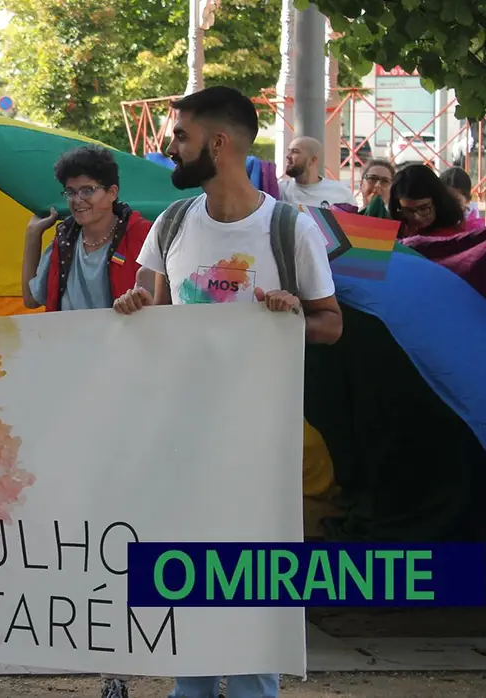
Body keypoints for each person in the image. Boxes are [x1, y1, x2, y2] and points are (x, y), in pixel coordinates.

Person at [113, 86, 342, 698]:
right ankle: (190, 687)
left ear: (218, 143)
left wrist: (292, 314)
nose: (169, 146)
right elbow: (149, 309)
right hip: (181, 438)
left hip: (257, 446)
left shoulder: (289, 228)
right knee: (186, 575)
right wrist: (135, 306)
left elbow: (331, 323)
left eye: (180, 136)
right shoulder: (172, 223)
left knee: (250, 580)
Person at [21, 144, 151, 313]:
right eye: (70, 192)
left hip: (124, 339)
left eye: (87, 191)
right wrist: (32, 235)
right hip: (68, 339)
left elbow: (162, 303)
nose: (77, 200)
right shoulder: (64, 241)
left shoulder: (143, 236)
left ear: (112, 193)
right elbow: (31, 300)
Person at [390, 164, 467, 238]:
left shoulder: (458, 235)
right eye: (408, 210)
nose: (416, 217)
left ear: (438, 202)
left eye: (423, 209)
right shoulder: (391, 229)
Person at [279, 136, 355, 210]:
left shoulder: (341, 193)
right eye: (288, 151)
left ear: (313, 160)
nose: (288, 156)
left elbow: (353, 221)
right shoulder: (281, 190)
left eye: (295, 151)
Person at [439, 166, 483, 230]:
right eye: (446, 199)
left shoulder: (474, 228)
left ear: (468, 200)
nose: (450, 205)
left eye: (456, 201)